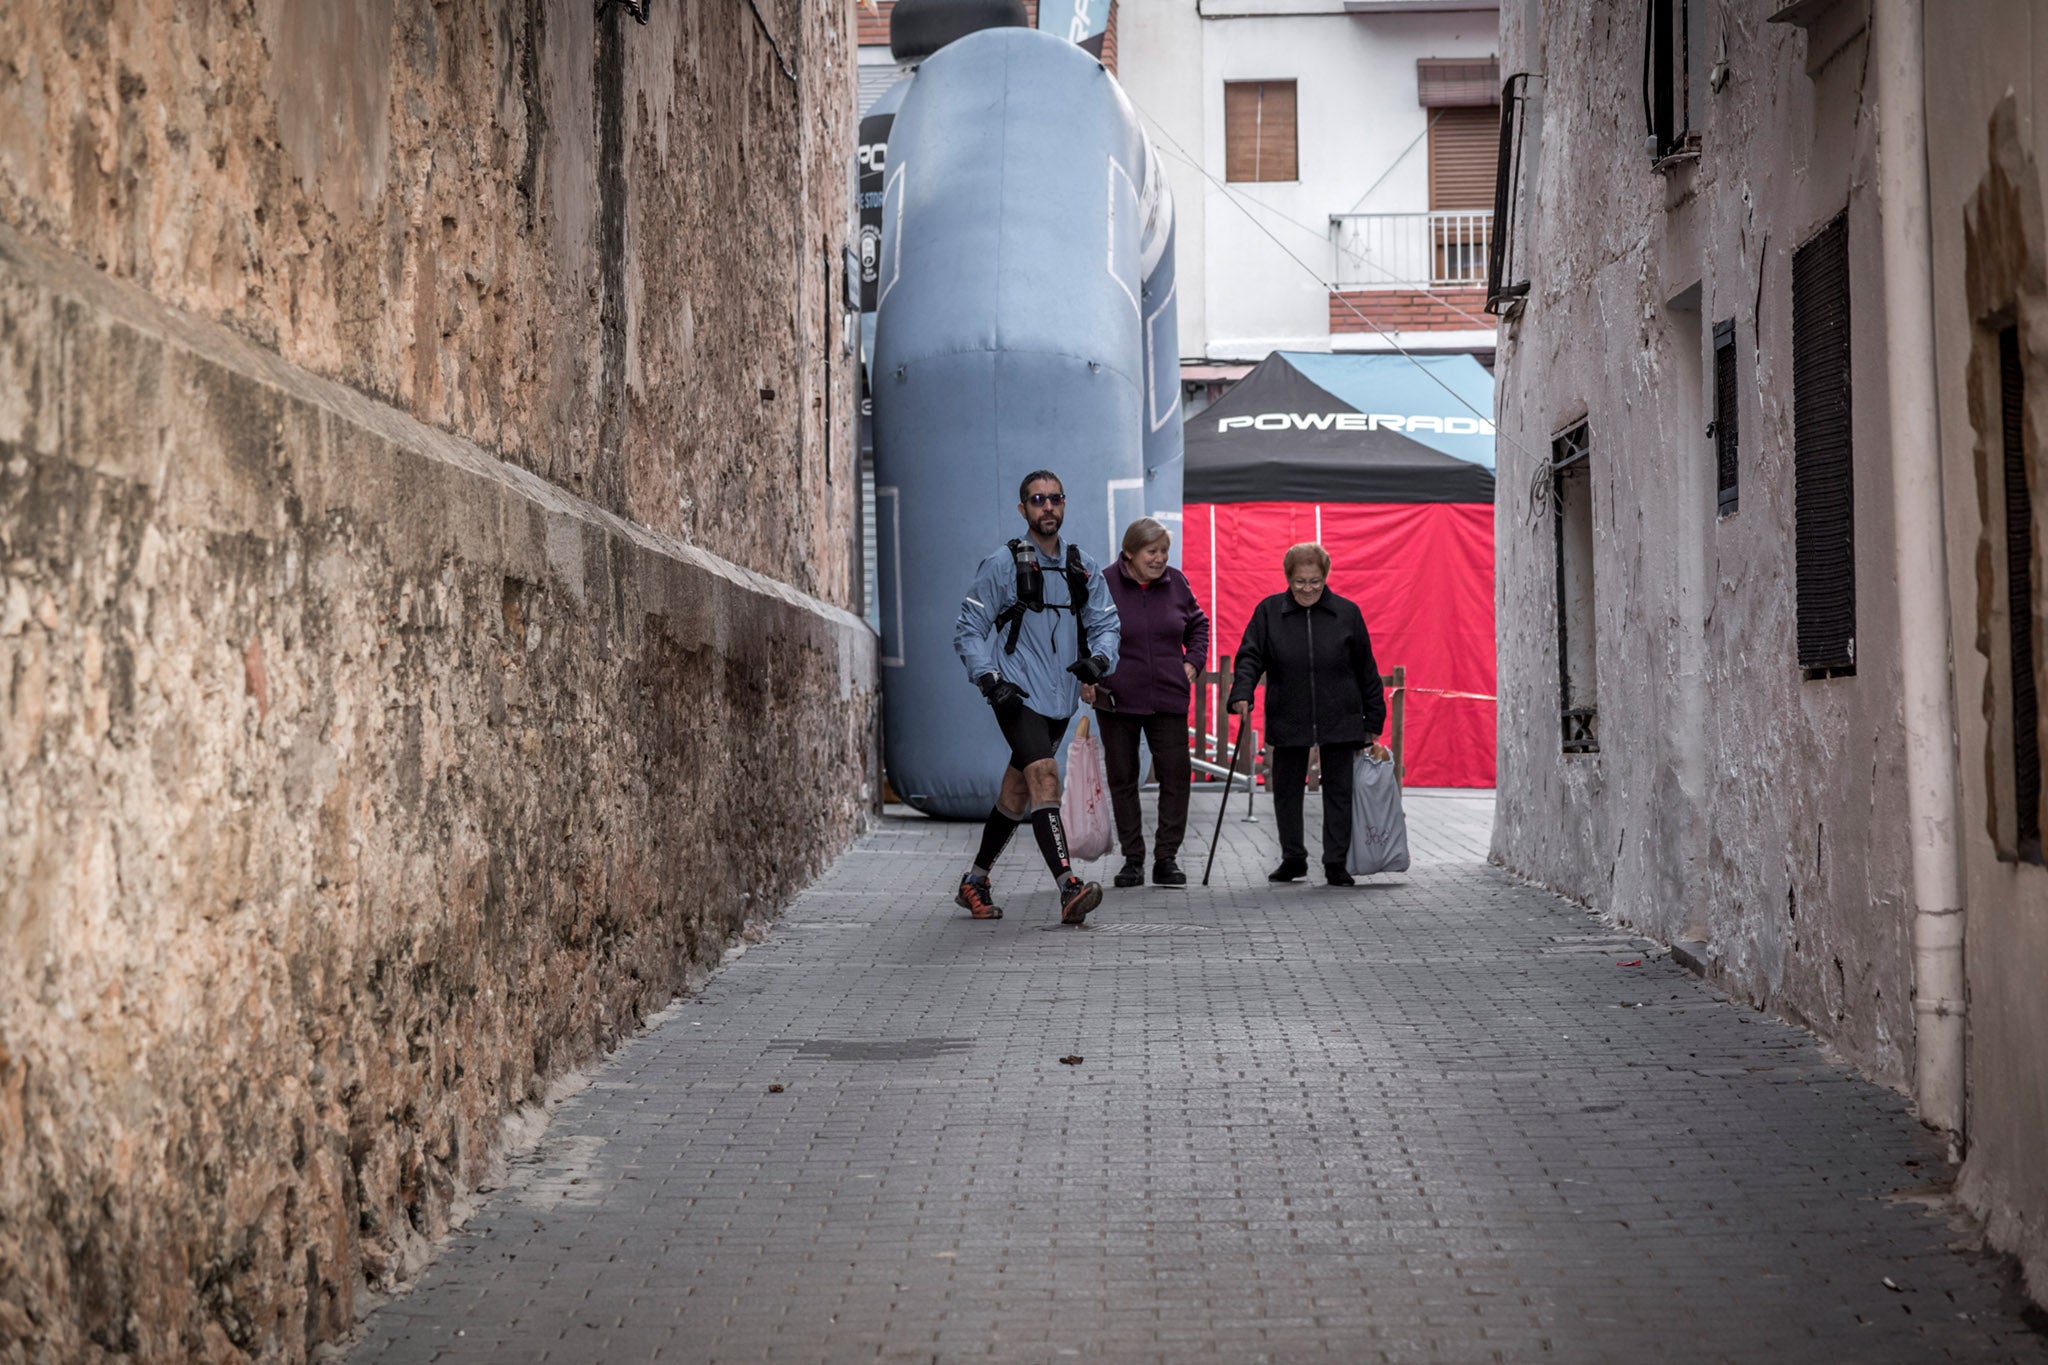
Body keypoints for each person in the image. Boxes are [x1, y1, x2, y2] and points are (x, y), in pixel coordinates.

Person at [952, 470, 1122, 924]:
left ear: (1064, 504)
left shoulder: (1081, 565)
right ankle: (1069, 887)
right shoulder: (1002, 565)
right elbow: (968, 631)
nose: (1047, 507)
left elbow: (1107, 624)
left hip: (1060, 699)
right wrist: (990, 680)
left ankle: (975, 879)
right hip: (1015, 694)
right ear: (1023, 509)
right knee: (1045, 776)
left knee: (1016, 793)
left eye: (1055, 499)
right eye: (1037, 500)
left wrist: (1100, 661)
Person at [1227, 543, 1388, 886]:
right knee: (1286, 789)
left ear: (1325, 577)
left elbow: (1366, 669)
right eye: (1300, 582)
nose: (1308, 589)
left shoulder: (1347, 613)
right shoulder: (1269, 612)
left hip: (1340, 713)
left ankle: (1335, 862)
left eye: (1315, 581)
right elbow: (1250, 657)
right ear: (1288, 578)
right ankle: (1293, 858)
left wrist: (1373, 720)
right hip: (1289, 711)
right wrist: (1242, 691)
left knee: (1339, 792)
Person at [1082, 517, 1209, 888]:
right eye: (1152, 552)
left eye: (1164, 551)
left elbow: (1198, 624)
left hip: (1168, 695)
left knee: (1176, 777)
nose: (1159, 559)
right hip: (1117, 696)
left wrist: (1193, 660)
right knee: (1123, 779)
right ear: (1129, 553)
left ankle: (1166, 858)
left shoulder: (1177, 582)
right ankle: (1132, 859)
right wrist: (1088, 675)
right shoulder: (1103, 583)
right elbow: (1084, 629)